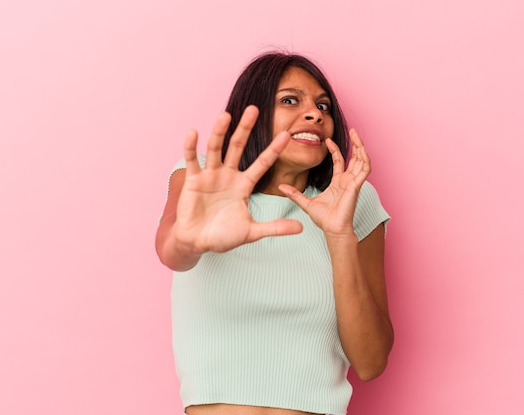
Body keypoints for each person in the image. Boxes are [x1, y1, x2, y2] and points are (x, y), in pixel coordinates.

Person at [155, 51, 393, 415]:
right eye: (289, 100)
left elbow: (371, 362)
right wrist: (188, 239)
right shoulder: (205, 176)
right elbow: (171, 250)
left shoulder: (352, 199)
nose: (315, 113)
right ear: (255, 111)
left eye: (324, 106)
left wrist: (340, 236)